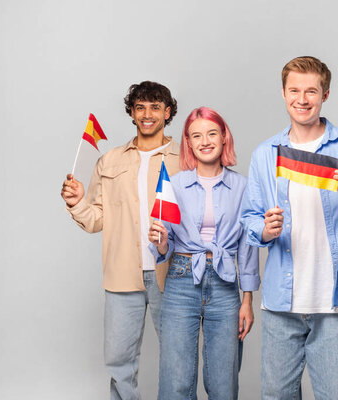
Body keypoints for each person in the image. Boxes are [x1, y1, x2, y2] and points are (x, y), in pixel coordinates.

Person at [240, 56, 338, 400]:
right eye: (294, 90)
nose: (302, 99)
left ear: (325, 94)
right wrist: (265, 229)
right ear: (283, 92)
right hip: (282, 303)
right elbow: (249, 221)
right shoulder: (265, 154)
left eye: (311, 91)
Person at [60, 81, 180, 399]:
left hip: (171, 274)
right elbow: (97, 219)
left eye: (155, 107)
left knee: (178, 359)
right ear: (131, 112)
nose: (147, 114)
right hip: (121, 275)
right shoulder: (110, 161)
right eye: (140, 107)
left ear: (168, 112)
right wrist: (77, 203)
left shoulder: (186, 158)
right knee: (119, 362)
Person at [148, 107, 259, 400]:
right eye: (196, 135)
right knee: (176, 381)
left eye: (211, 133)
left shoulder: (243, 186)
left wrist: (247, 300)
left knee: (224, 382)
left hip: (224, 284)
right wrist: (160, 242)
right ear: (188, 142)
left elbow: (247, 247)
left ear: (224, 138)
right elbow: (166, 244)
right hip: (181, 279)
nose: (205, 141)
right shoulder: (174, 184)